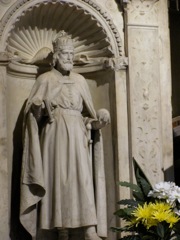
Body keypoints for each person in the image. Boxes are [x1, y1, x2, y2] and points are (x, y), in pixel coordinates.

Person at [20, 31, 110, 240]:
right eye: (65, 54)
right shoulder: (45, 79)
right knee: (57, 179)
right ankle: (59, 229)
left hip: (78, 133)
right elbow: (33, 115)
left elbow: (87, 116)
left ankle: (88, 228)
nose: (69, 57)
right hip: (54, 135)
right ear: (55, 57)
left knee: (83, 179)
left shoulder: (80, 81)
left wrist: (98, 122)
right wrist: (38, 106)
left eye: (71, 53)